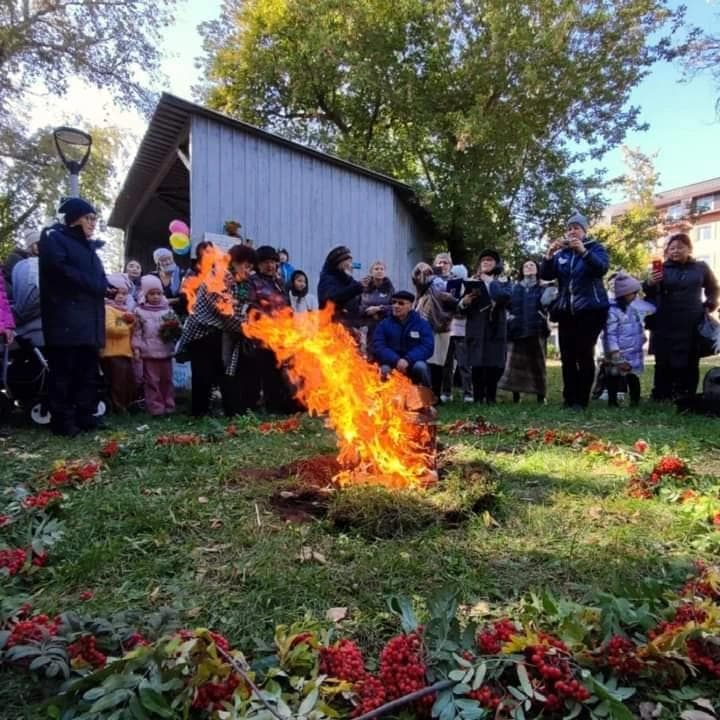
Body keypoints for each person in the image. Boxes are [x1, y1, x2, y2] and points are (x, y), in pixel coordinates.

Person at [39, 198, 107, 436]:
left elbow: (99, 278)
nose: (93, 223)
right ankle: (63, 421)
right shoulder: (53, 238)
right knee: (64, 373)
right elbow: (58, 271)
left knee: (87, 372)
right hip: (65, 320)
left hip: (89, 321)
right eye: (89, 218)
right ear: (74, 217)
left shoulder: (89, 247)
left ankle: (85, 415)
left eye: (95, 219)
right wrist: (94, 285)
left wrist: (104, 286)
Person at [540, 211, 609, 409]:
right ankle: (568, 398)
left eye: (576, 228)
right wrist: (549, 255)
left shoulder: (595, 248)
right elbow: (546, 274)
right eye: (569, 228)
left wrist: (583, 253)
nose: (572, 232)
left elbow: (602, 268)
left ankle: (581, 399)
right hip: (566, 311)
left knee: (584, 354)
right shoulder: (562, 254)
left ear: (584, 231)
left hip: (591, 310)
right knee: (568, 356)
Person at [175, 246, 250, 417]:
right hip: (202, 333)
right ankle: (199, 414)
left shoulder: (237, 283)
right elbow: (224, 312)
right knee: (203, 375)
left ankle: (231, 411)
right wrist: (249, 329)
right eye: (246, 266)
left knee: (226, 373)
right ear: (235, 263)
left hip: (222, 334)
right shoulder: (217, 278)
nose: (249, 271)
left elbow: (239, 310)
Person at [644, 232, 719, 400]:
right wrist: (650, 282)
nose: (675, 251)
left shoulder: (701, 267)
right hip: (665, 319)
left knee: (690, 359)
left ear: (689, 249)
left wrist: (709, 305)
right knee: (663, 358)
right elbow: (647, 293)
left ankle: (686, 394)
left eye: (680, 247)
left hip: (691, 319)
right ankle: (661, 394)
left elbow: (713, 288)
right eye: (671, 248)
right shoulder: (661, 268)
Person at [249, 246, 298, 413]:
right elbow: (252, 308)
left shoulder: (280, 283)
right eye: (265, 262)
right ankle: (272, 407)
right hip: (264, 337)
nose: (270, 266)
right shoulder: (253, 282)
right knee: (268, 373)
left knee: (284, 373)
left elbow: (288, 307)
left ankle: (286, 405)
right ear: (258, 264)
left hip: (284, 336)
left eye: (273, 262)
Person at [460, 250, 512, 404]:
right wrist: (465, 302)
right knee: (476, 363)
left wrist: (489, 282)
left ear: (496, 263)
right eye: (483, 260)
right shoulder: (471, 281)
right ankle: (477, 398)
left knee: (494, 364)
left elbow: (504, 297)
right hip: (476, 326)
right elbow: (461, 308)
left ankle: (491, 398)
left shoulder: (504, 281)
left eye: (490, 260)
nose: (486, 262)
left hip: (496, 327)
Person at [498, 259, 551, 404]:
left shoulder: (543, 287)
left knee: (538, 365)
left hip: (537, 329)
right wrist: (511, 318)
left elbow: (547, 304)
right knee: (515, 364)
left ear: (537, 269)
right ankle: (516, 396)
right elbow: (506, 304)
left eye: (532, 265)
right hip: (517, 330)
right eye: (526, 266)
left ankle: (541, 395)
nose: (528, 267)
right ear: (522, 270)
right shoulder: (514, 288)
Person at [602, 272, 654, 407]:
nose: (636, 296)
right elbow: (610, 333)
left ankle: (635, 401)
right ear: (624, 294)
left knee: (633, 376)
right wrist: (614, 352)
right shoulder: (612, 311)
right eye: (633, 293)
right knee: (613, 375)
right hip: (618, 352)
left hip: (633, 350)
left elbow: (649, 311)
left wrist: (642, 338)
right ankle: (612, 402)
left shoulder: (633, 308)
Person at [132, 275, 177, 417]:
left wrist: (174, 329)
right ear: (145, 294)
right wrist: (137, 348)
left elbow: (175, 328)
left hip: (166, 351)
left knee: (167, 380)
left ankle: (169, 406)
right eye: (152, 294)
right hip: (149, 353)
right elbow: (136, 332)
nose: (156, 297)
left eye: (159, 293)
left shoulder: (167, 310)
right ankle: (156, 408)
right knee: (152, 382)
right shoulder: (139, 311)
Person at [412, 262, 457, 398]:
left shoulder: (441, 284)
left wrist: (451, 299)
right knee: (425, 362)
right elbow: (418, 282)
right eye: (419, 272)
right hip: (424, 329)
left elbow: (454, 305)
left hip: (441, 327)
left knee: (438, 363)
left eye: (427, 271)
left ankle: (436, 395)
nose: (423, 274)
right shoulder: (421, 291)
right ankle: (424, 395)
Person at [372, 290, 434, 387]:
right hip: (391, 363)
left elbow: (427, 347)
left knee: (421, 367)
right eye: (394, 302)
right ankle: (383, 400)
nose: (396, 306)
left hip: (413, 363)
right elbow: (379, 346)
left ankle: (426, 397)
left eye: (401, 303)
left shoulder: (422, 324)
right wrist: (396, 360)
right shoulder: (383, 324)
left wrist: (408, 359)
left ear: (410, 306)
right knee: (384, 370)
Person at [100, 273, 137, 414]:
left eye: (125, 293)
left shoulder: (124, 310)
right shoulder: (108, 309)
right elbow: (110, 328)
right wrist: (127, 324)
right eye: (119, 293)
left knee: (126, 382)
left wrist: (133, 323)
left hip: (124, 352)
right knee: (117, 383)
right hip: (112, 352)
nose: (122, 296)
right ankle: (117, 407)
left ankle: (125, 405)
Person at [442, 263, 473, 402]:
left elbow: (466, 311)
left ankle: (468, 393)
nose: (452, 277)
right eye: (451, 274)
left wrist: (460, 305)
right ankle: (446, 392)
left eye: (455, 275)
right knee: (447, 364)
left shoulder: (470, 290)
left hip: (463, 331)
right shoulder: (447, 289)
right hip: (448, 330)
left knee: (463, 364)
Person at [317, 245, 368, 329]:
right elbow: (332, 298)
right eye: (347, 261)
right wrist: (357, 287)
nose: (350, 264)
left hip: (349, 326)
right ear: (339, 262)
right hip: (332, 327)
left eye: (351, 261)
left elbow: (355, 291)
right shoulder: (327, 279)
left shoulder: (345, 277)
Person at [359, 260, 394, 357]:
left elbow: (394, 307)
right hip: (366, 327)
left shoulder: (389, 288)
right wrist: (367, 311)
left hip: (384, 326)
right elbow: (358, 306)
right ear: (371, 272)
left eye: (382, 269)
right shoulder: (364, 287)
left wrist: (379, 308)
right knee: (366, 356)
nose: (379, 271)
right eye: (376, 269)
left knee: (382, 355)